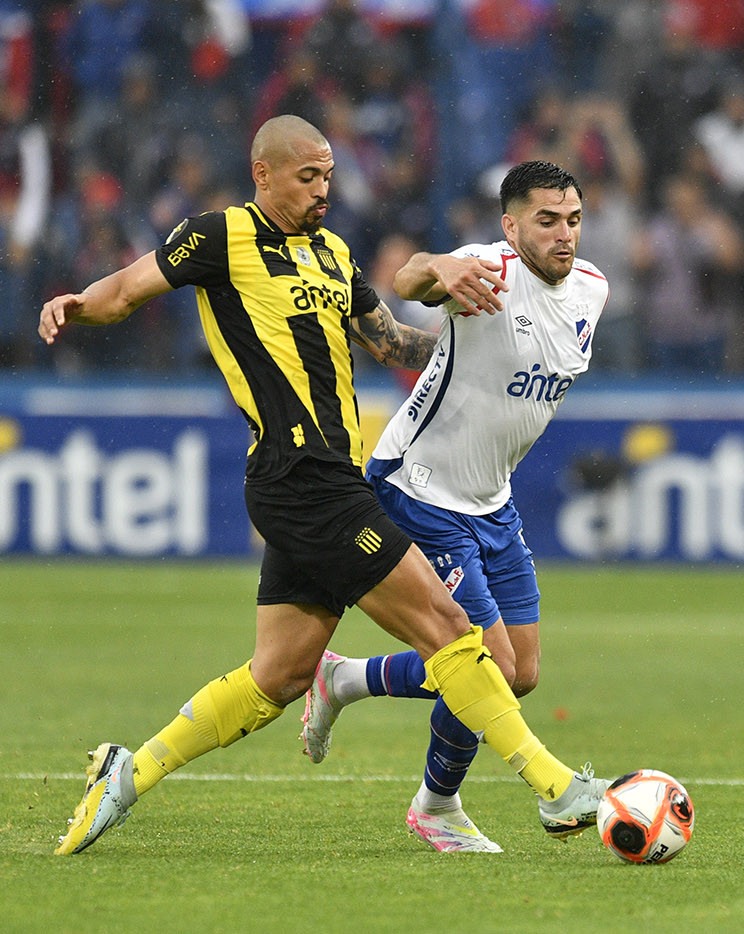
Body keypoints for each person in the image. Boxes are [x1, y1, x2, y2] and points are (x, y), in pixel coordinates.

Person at [40, 116, 608, 855]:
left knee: (276, 676)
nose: (323, 192)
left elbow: (390, 340)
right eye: (308, 177)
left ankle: (127, 771)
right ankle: (555, 786)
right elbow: (127, 289)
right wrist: (77, 304)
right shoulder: (219, 237)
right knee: (450, 632)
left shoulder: (333, 253)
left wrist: (493, 349)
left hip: (327, 477)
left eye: (329, 177)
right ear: (264, 173)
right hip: (300, 474)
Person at [298, 160, 609, 853]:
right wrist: (439, 267)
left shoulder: (593, 289)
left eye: (574, 220)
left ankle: (344, 677)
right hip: (420, 489)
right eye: (546, 220)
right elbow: (407, 279)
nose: (564, 235)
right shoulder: (483, 269)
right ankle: (438, 806)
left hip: (490, 502)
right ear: (510, 225)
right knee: (485, 664)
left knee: (521, 673)